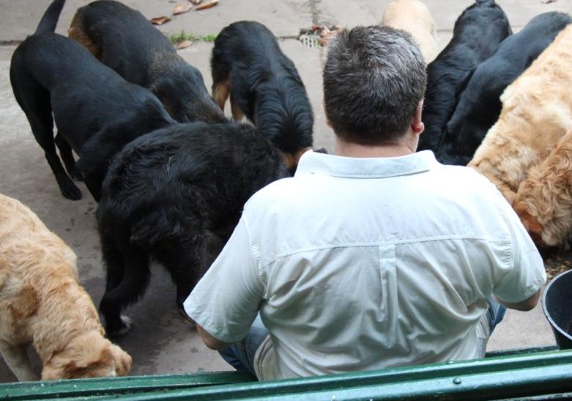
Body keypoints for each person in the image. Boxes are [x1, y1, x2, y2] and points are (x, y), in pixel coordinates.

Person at [183, 25, 547, 381]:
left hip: (310, 390)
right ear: (418, 116)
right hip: (445, 381)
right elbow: (526, 296)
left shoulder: (272, 208)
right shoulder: (475, 194)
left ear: (327, 111)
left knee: (245, 309)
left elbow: (214, 333)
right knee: (494, 274)